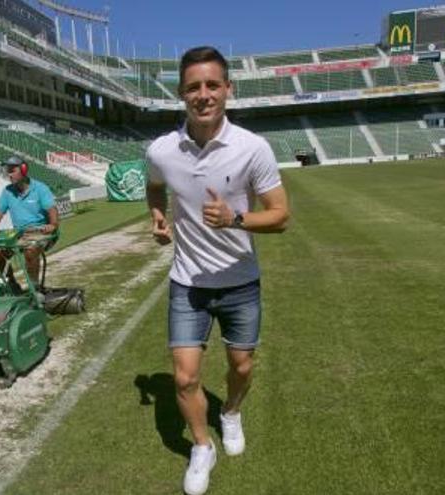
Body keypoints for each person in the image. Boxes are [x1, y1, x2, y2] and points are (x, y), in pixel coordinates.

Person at [145, 46, 290, 495]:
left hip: (240, 282)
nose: (203, 94)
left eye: (212, 85)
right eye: (193, 87)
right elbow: (153, 186)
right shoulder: (162, 150)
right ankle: (202, 446)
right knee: (185, 376)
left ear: (227, 89)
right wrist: (156, 215)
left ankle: (229, 411)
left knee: (241, 367)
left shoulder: (253, 148)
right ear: (181, 94)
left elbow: (281, 215)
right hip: (187, 283)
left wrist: (235, 219)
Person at [0, 156, 59, 292]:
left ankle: (34, 288)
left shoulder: (40, 189)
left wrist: (53, 225)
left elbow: (52, 210)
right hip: (19, 233)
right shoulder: (7, 191)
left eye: (12, 170)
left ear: (23, 169)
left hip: (41, 231)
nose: (9, 174)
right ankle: (11, 284)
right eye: (7, 170)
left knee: (31, 250)